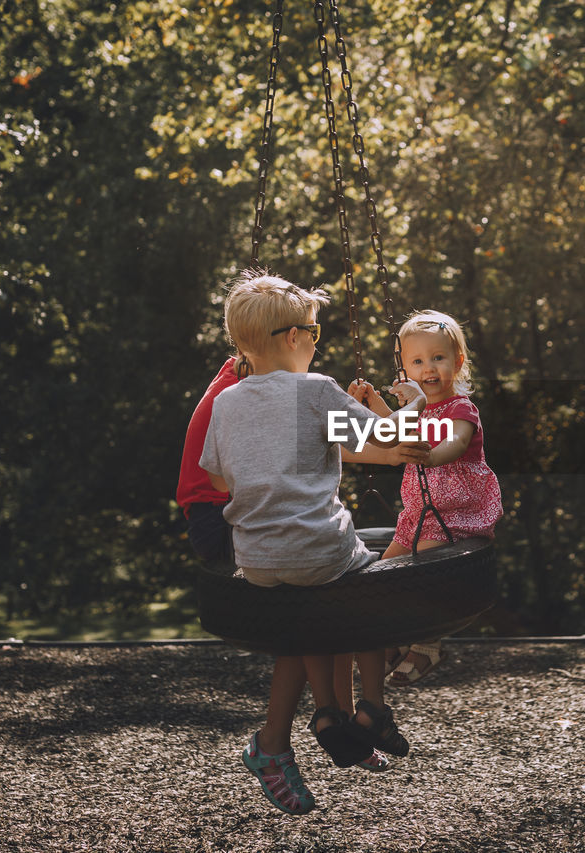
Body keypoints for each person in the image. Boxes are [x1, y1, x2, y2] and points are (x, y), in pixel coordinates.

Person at [196, 269, 429, 815]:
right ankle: (362, 709)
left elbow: (217, 480)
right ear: (295, 338)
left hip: (255, 558)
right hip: (316, 553)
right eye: (317, 333)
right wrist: (415, 404)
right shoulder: (314, 391)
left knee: (318, 604)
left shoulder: (227, 403)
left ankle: (331, 715)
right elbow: (393, 446)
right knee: (359, 580)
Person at [348, 309, 504, 686]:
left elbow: (456, 441)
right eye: (417, 361)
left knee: (422, 572)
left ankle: (427, 643)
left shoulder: (460, 408)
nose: (428, 368)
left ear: (458, 362)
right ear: (404, 369)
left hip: (456, 514)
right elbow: (390, 433)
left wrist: (432, 456)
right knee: (381, 575)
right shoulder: (417, 408)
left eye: (438, 358)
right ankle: (391, 640)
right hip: (419, 515)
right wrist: (375, 407)